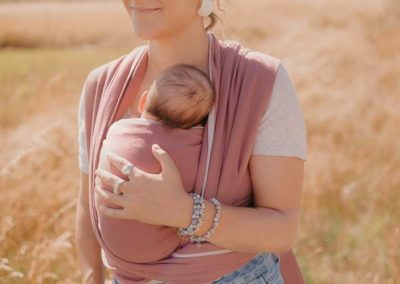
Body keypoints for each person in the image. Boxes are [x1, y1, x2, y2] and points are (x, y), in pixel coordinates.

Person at [75, 0, 307, 283]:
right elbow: (88, 209)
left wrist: (184, 212)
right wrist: (92, 277)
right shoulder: (102, 85)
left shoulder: (259, 80)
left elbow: (282, 229)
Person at [94, 63, 215, 264]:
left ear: (143, 102)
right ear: (197, 124)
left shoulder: (118, 130)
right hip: (159, 250)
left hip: (111, 246)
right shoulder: (194, 144)